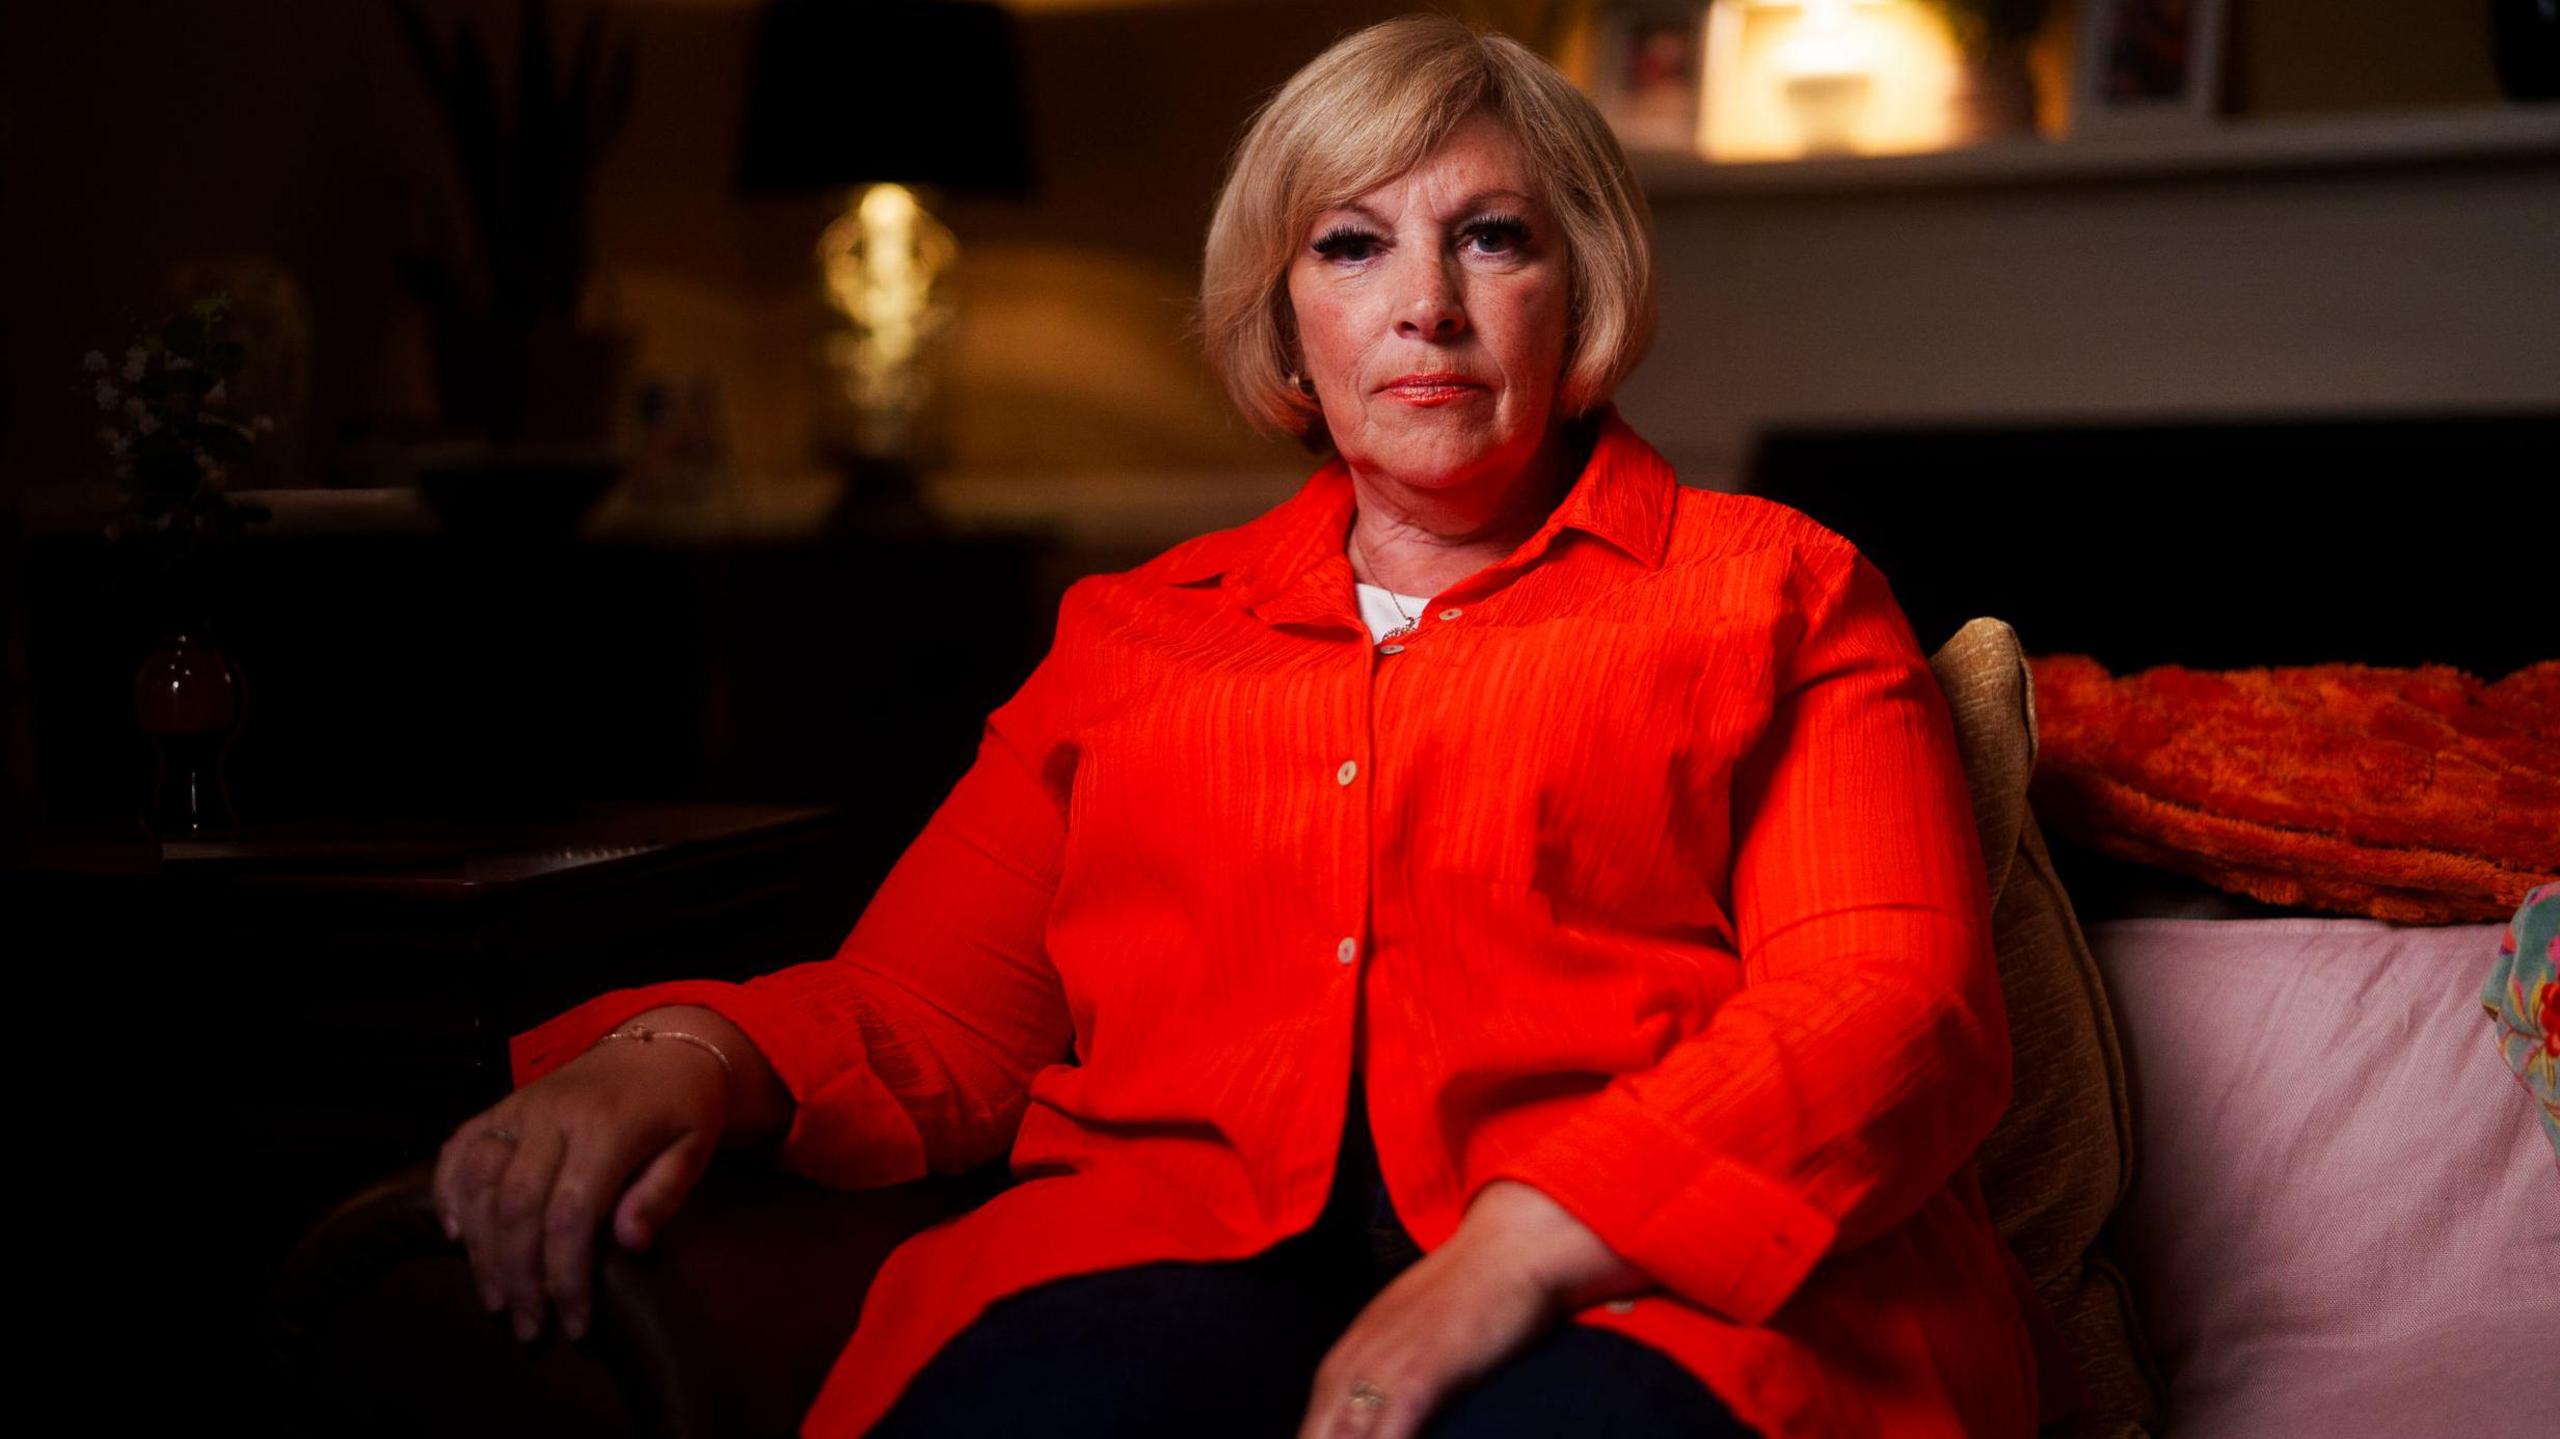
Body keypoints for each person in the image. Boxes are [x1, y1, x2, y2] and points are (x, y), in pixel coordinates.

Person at [435, 14, 2050, 1439]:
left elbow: (1886, 1002)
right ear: (1284, 318)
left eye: (1492, 238)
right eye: (1351, 247)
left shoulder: (1777, 588)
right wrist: (679, 1058)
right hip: (1168, 1254)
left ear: (1586, 288)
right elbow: (930, 1014)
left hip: (1655, 1283)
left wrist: (1522, 1243)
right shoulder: (1136, 638)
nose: (1425, 306)